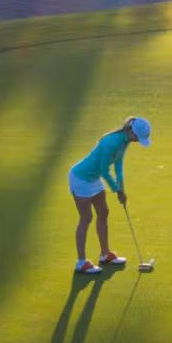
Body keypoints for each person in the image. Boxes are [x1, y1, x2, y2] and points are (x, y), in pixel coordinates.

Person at [69, 115, 150, 274]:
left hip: (93, 178)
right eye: (137, 138)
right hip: (81, 178)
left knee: (103, 212)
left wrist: (122, 189)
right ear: (132, 131)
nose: (137, 141)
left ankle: (105, 255)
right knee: (86, 218)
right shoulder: (112, 141)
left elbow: (118, 165)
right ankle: (81, 262)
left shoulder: (125, 141)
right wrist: (116, 190)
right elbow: (104, 171)